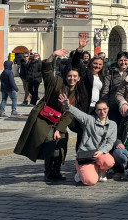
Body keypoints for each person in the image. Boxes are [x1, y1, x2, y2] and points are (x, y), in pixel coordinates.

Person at [14, 50, 88, 182]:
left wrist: (59, 129)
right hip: (44, 118)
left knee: (61, 143)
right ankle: (48, 172)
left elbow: (70, 115)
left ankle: (56, 170)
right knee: (50, 142)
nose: (72, 79)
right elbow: (46, 71)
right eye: (69, 76)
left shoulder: (77, 94)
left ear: (78, 78)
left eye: (74, 77)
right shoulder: (57, 83)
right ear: (66, 76)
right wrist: (52, 56)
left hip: (59, 121)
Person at [61, 94, 117, 185]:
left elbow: (111, 142)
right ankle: (80, 171)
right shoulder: (89, 120)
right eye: (99, 110)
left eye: (104, 109)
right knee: (90, 181)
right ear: (95, 111)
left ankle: (100, 170)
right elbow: (78, 113)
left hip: (100, 154)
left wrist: (102, 151)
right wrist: (68, 106)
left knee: (109, 161)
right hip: (86, 155)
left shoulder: (113, 124)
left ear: (108, 109)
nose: (102, 112)